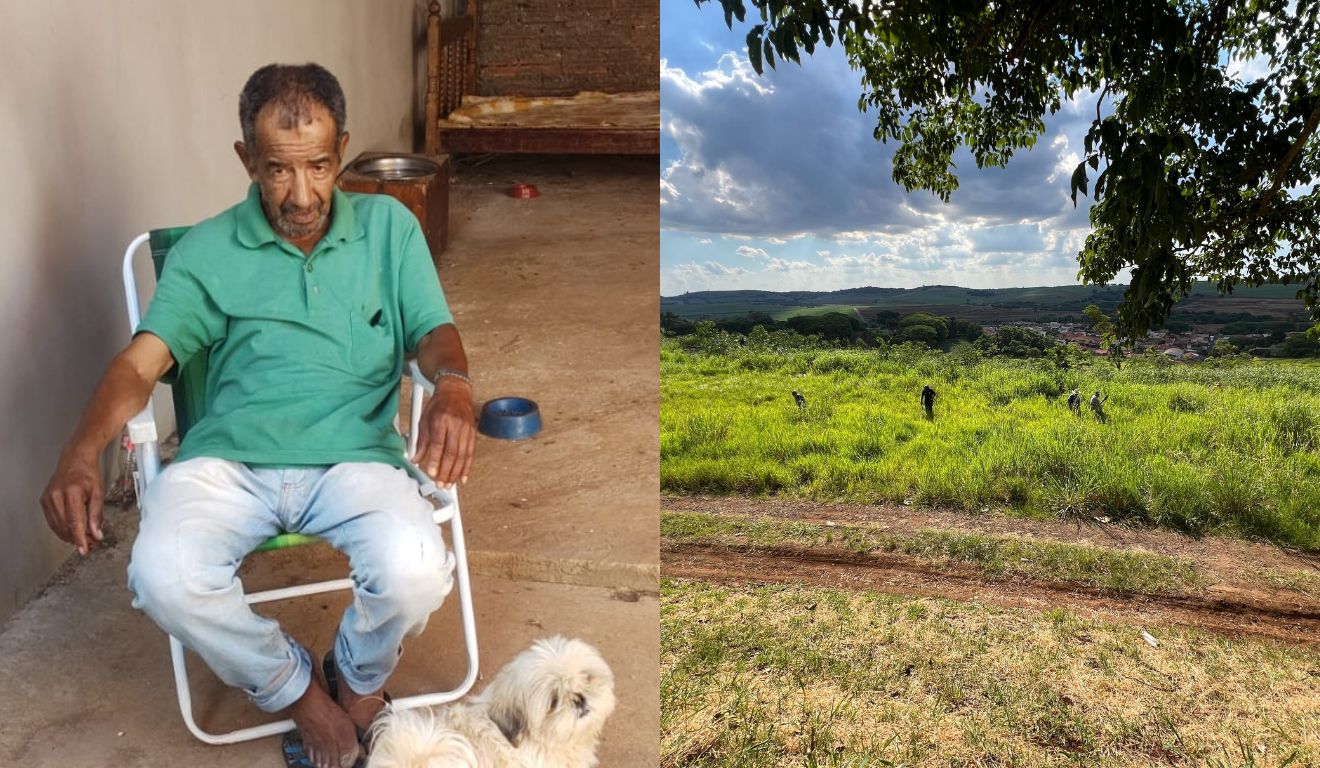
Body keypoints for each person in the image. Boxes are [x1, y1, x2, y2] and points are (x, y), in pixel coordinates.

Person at [39, 63, 475, 768]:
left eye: (319, 167)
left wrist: (453, 384)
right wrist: (81, 450)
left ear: (343, 152)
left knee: (416, 570)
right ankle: (301, 694)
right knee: (162, 576)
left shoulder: (391, 230)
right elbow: (138, 365)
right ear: (246, 159)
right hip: (229, 462)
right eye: (277, 170)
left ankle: (357, 687)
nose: (302, 195)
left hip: (354, 458)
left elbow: (434, 332)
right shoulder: (209, 250)